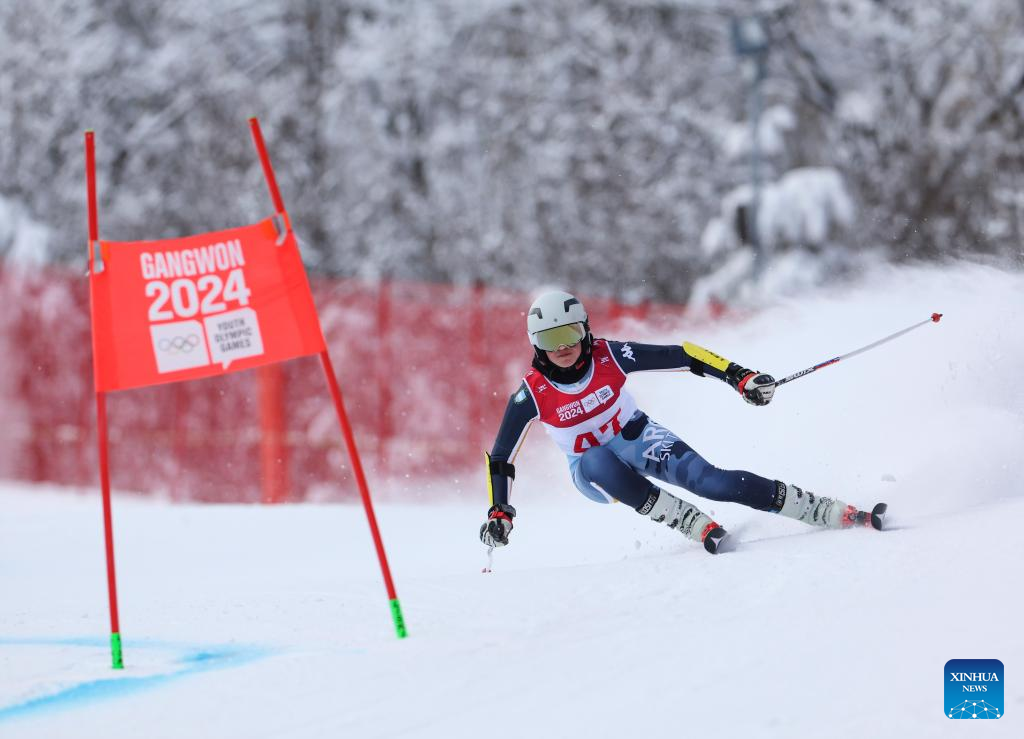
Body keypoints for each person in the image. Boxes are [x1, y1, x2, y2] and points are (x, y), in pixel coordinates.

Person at [479, 290, 884, 554]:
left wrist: (738, 376)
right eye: (551, 340)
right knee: (597, 458)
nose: (563, 347)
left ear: (586, 331)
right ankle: (686, 520)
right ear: (536, 346)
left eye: (570, 333)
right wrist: (501, 510)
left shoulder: (611, 355)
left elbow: (683, 354)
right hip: (594, 471)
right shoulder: (531, 392)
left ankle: (825, 509)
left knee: (715, 483)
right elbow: (501, 457)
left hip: (639, 437)